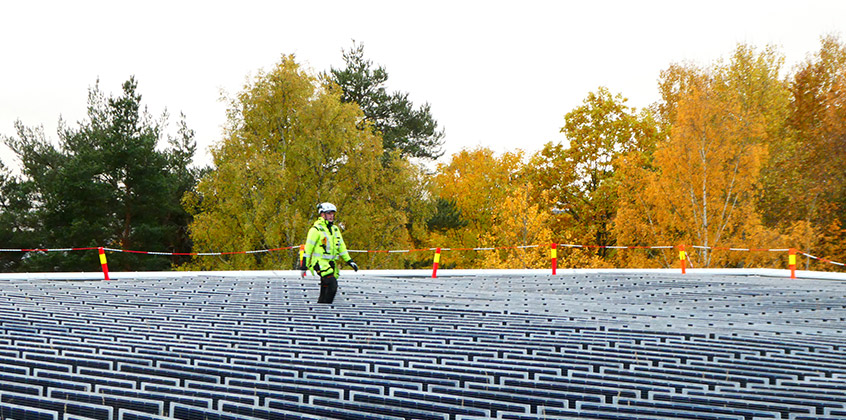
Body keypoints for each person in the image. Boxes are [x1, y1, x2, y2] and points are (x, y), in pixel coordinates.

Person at [300, 202, 358, 304]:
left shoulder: (335, 229)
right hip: (320, 263)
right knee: (332, 285)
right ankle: (326, 309)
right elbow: (308, 249)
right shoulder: (315, 230)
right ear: (323, 215)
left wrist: (350, 261)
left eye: (332, 214)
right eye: (329, 213)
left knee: (325, 289)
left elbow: (341, 247)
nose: (332, 216)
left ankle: (321, 309)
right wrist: (304, 266)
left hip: (331, 264)